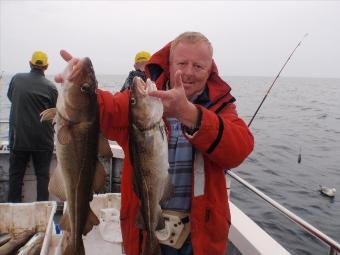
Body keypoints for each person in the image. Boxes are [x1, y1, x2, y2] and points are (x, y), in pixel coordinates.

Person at [57, 31, 254, 255]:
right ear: (169, 63)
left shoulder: (221, 107)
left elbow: (239, 149)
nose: (189, 72)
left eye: (198, 66)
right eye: (182, 63)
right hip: (143, 230)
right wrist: (79, 84)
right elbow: (107, 108)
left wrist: (190, 114)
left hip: (199, 238)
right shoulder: (144, 98)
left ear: (210, 69)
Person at [7, 51, 58, 202]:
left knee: (16, 177)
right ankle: (43, 211)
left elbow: (11, 97)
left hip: (19, 139)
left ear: (30, 64)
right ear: (46, 66)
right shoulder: (51, 87)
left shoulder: (16, 79)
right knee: (43, 178)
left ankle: (13, 212)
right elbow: (53, 112)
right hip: (43, 141)